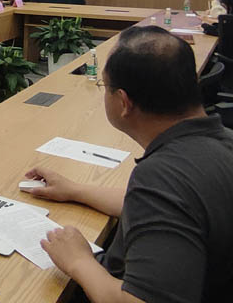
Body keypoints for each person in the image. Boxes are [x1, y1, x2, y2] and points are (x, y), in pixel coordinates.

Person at [21, 26, 233, 303]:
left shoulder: (162, 177)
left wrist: (78, 262)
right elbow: (170, 206)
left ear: (124, 102)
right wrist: (74, 190)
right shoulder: (221, 142)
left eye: (104, 86)